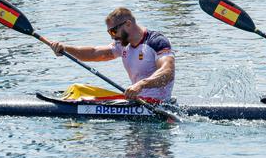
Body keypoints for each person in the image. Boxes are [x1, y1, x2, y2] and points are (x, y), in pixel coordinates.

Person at [47, 8, 175, 101]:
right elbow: (94, 53)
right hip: (136, 100)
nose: (112, 37)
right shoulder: (123, 43)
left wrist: (141, 84)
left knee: (80, 93)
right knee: (79, 89)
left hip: (157, 103)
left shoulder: (157, 42)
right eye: (110, 33)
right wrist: (65, 48)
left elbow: (167, 72)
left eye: (114, 31)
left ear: (128, 24)